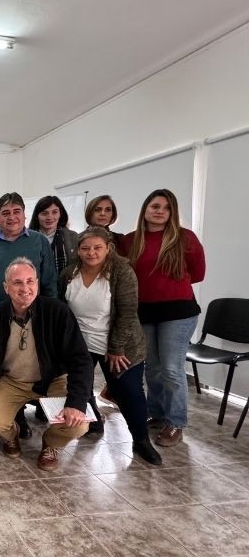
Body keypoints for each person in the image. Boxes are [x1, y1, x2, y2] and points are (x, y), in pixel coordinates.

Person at [0, 257, 92, 471]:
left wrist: (76, 402)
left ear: (37, 283)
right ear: (6, 287)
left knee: (79, 424)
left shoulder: (58, 312)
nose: (25, 288)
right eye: (17, 282)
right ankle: (12, 434)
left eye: (30, 281)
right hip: (13, 381)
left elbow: (81, 360)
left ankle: (51, 443)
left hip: (53, 380)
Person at [59, 227, 162, 464]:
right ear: (78, 250)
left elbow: (127, 313)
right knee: (80, 387)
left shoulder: (121, 272)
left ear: (109, 248)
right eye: (85, 248)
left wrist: (116, 348)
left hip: (119, 345)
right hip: (81, 343)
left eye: (98, 248)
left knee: (129, 392)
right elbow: (62, 308)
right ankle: (93, 421)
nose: (91, 253)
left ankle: (141, 440)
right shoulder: (69, 272)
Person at [0, 192, 57, 436]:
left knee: (17, 370)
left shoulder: (39, 241)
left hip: (29, 317)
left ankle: (17, 417)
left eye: (16, 212)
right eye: (5, 213)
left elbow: (49, 281)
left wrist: (49, 315)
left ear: (25, 215)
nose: (11, 217)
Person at [122, 189, 205, 447]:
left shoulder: (185, 238)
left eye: (166, 207)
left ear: (173, 212)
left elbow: (198, 273)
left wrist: (167, 287)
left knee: (171, 369)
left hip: (178, 313)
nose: (160, 211)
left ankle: (175, 422)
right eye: (155, 206)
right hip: (145, 312)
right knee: (153, 368)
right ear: (145, 209)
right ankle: (156, 413)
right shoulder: (131, 240)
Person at [28, 195, 79, 275]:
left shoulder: (73, 237)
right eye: (44, 213)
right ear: (37, 216)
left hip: (64, 282)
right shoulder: (27, 238)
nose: (50, 217)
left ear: (60, 214)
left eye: (54, 212)